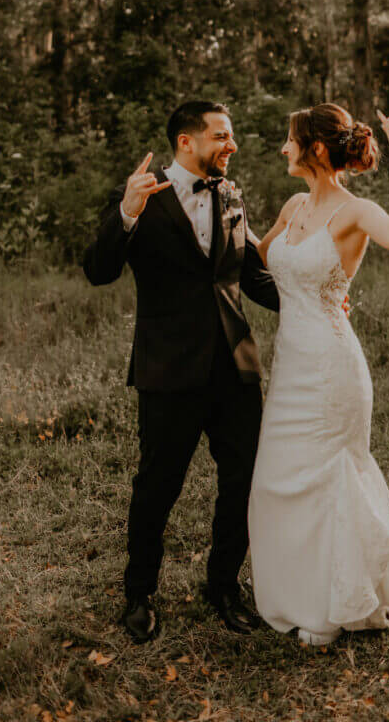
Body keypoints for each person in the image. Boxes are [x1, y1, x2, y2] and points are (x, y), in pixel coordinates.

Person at [82, 101, 279, 644]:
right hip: (169, 370)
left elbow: (253, 278)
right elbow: (97, 271)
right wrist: (125, 212)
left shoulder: (232, 194)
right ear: (187, 141)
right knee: (157, 486)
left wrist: (317, 302)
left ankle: (223, 586)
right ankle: (140, 593)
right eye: (221, 135)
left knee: (242, 480)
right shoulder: (143, 196)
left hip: (235, 366)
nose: (230, 144)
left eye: (230, 135)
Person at [247, 94, 389, 646]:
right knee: (278, 481)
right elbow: (257, 258)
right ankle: (298, 596)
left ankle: (332, 608)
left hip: (331, 368)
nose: (283, 148)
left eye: (291, 140)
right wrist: (221, 215)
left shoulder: (354, 212)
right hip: (290, 370)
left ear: (316, 148)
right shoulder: (293, 206)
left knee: (328, 476)